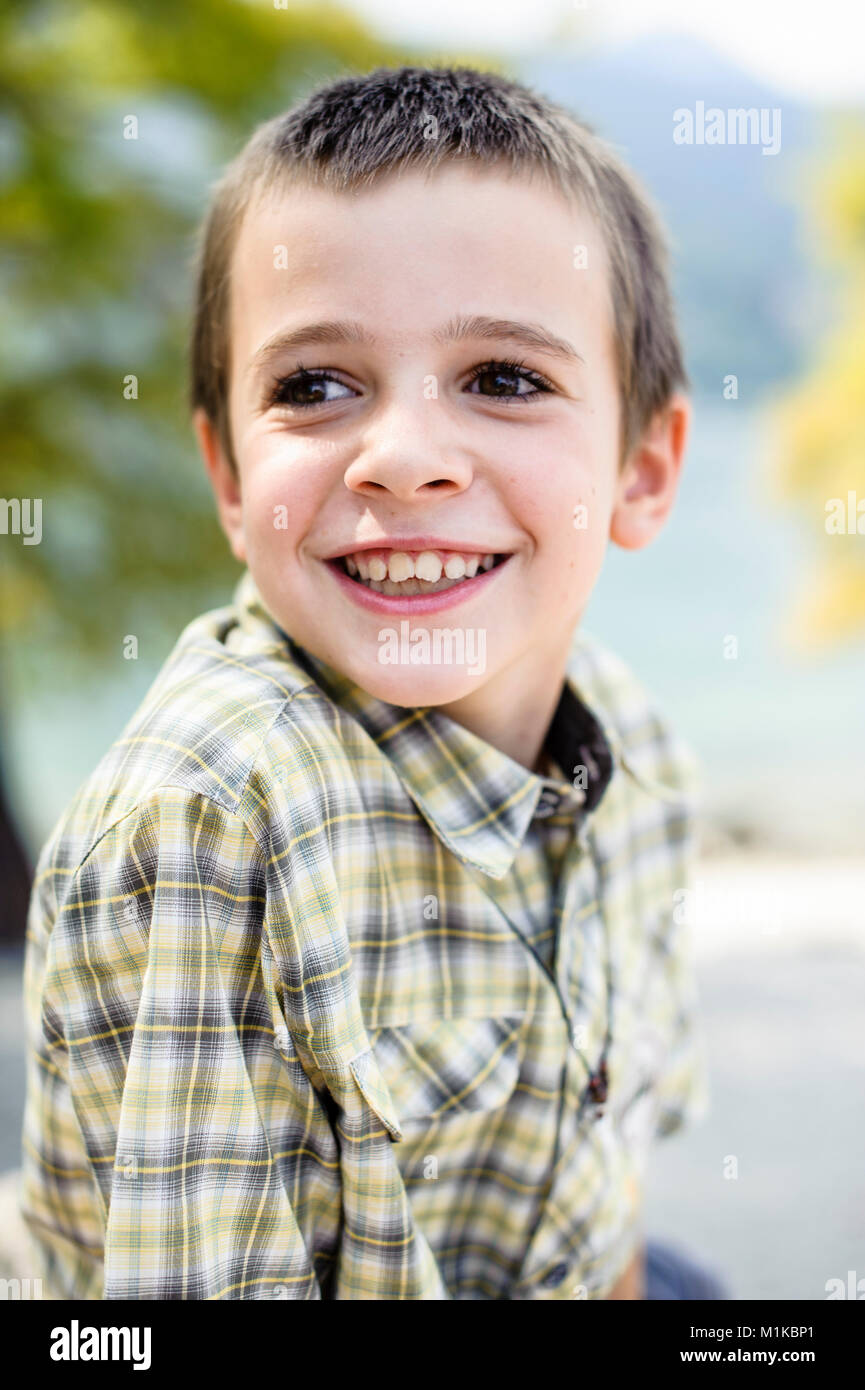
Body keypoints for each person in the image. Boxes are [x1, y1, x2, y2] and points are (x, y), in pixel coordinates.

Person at [20, 65, 726, 1300]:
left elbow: (604, 1187)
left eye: (505, 378)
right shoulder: (210, 826)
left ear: (641, 470)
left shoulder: (638, 753)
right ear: (231, 477)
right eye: (314, 386)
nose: (402, 459)